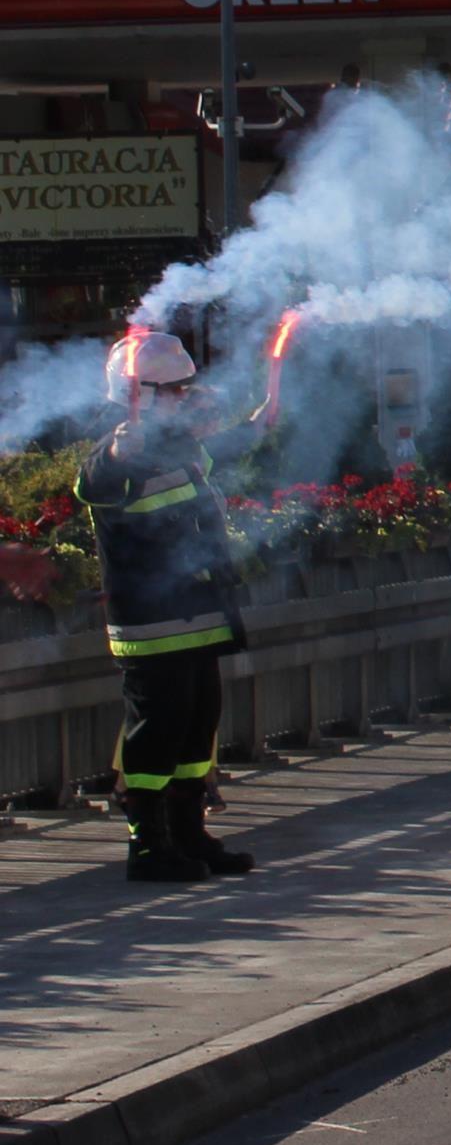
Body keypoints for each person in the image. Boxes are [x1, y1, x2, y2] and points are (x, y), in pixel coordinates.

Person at [78, 330, 268, 882]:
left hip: (197, 613)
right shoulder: (115, 451)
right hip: (152, 622)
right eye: (178, 390)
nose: (187, 398)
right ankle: (147, 845)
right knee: (155, 734)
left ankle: (189, 833)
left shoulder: (178, 447)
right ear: (145, 393)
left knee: (196, 728)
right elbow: (95, 481)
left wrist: (258, 424)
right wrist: (120, 448)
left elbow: (218, 452)